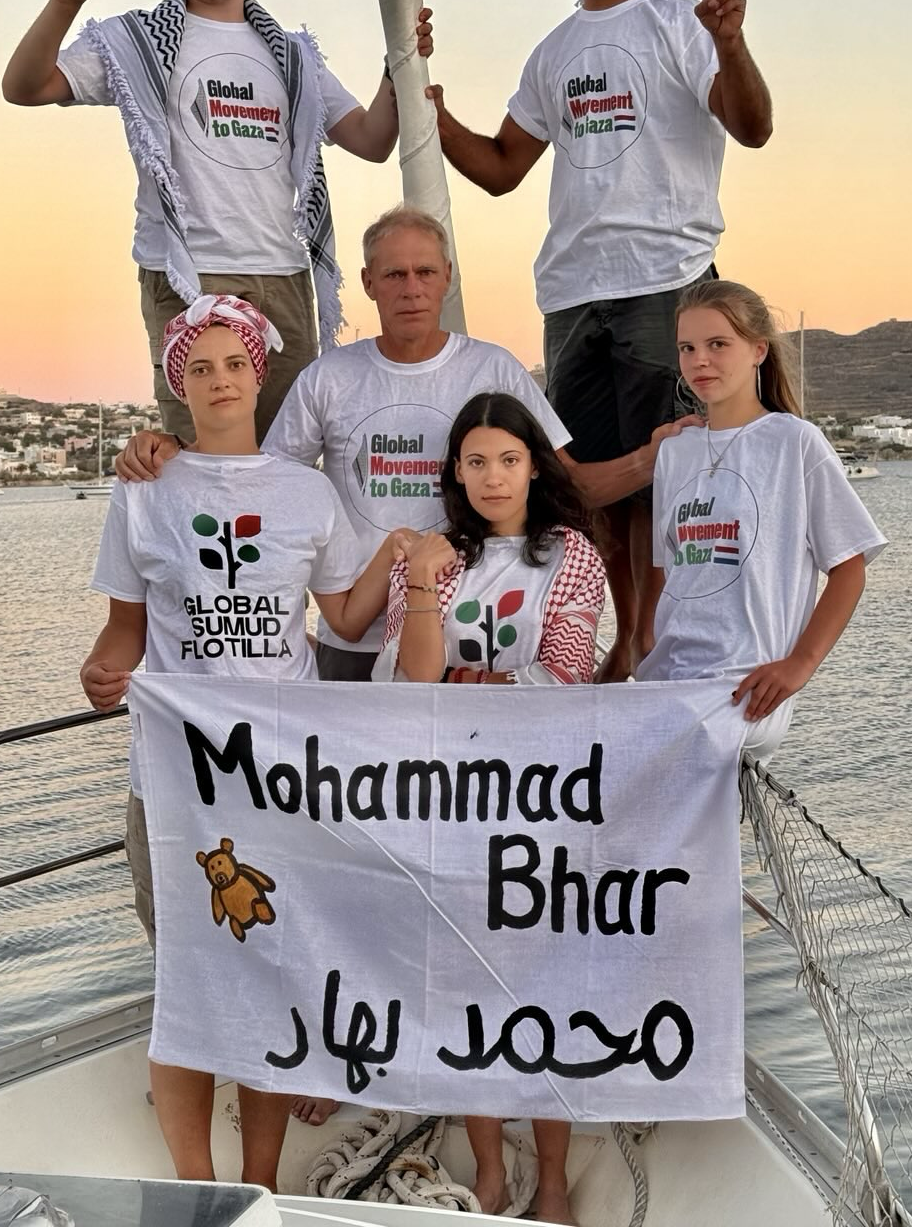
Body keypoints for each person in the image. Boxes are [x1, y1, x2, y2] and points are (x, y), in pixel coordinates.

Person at [79, 293, 408, 1187]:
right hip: (175, 775)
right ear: (178, 383)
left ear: (259, 376)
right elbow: (124, 631)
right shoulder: (144, 488)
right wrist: (101, 673)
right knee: (184, 980)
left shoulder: (305, 492)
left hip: (277, 772)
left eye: (234, 365)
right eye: (200, 367)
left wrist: (402, 554)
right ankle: (196, 1185)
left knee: (272, 972)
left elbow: (343, 616)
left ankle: (259, 1182)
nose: (219, 380)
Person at [418, 0, 773, 683]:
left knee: (667, 465)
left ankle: (650, 639)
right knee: (591, 482)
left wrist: (729, 41)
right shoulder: (553, 53)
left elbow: (752, 126)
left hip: (664, 273)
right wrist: (433, 115)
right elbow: (503, 167)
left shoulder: (679, 22)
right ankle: (628, 634)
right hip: (573, 290)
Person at [116, 206, 694, 687]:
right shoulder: (329, 378)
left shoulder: (493, 369)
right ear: (368, 282)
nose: (411, 288)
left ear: (447, 277)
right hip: (354, 640)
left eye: (424, 272)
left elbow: (569, 484)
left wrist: (653, 459)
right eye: (394, 275)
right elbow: (259, 487)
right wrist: (176, 447)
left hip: (468, 646)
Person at [3, 0, 402, 441]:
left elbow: (372, 139)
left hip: (283, 275)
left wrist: (400, 63)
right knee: (201, 455)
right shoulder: (138, 42)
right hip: (189, 274)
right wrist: (65, 2)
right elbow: (25, 87)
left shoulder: (293, 56)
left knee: (287, 452)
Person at [379, 392, 605, 1225]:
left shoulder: (571, 555)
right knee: (464, 985)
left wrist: (475, 681)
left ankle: (553, 1179)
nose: (493, 476)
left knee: (544, 986)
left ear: (534, 465)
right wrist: (424, 582)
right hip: (448, 796)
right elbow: (414, 677)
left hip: (539, 797)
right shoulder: (429, 555)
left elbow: (567, 674)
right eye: (475, 461)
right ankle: (488, 1171)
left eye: (508, 459)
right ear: (455, 471)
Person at [638, 279, 887, 762]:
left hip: (742, 691)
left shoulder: (794, 442)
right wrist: (641, 650)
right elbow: (671, 572)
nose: (700, 360)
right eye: (687, 348)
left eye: (718, 344)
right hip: (666, 682)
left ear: (758, 350)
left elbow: (849, 566)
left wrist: (800, 665)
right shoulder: (674, 452)